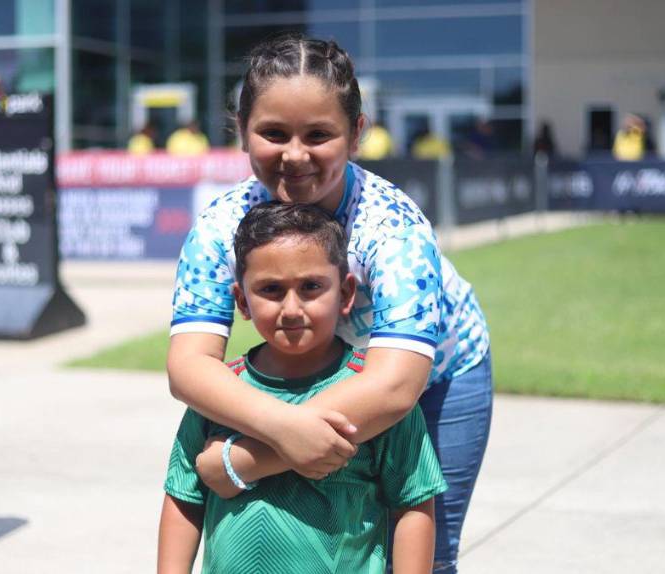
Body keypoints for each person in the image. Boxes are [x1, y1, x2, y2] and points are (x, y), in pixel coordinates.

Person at [167, 35, 493, 573]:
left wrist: (247, 458)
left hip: (438, 383)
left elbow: (394, 387)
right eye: (273, 133)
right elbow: (187, 367)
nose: (295, 155)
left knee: (426, 558)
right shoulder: (218, 229)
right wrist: (287, 432)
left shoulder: (394, 231)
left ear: (356, 133)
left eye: (318, 134)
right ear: (241, 132)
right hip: (328, 383)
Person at [159, 202, 447, 573]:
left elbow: (413, 503)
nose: (292, 308)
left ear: (345, 294)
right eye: (271, 290)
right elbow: (183, 498)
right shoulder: (218, 395)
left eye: (311, 287)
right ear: (242, 301)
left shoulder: (373, 396)